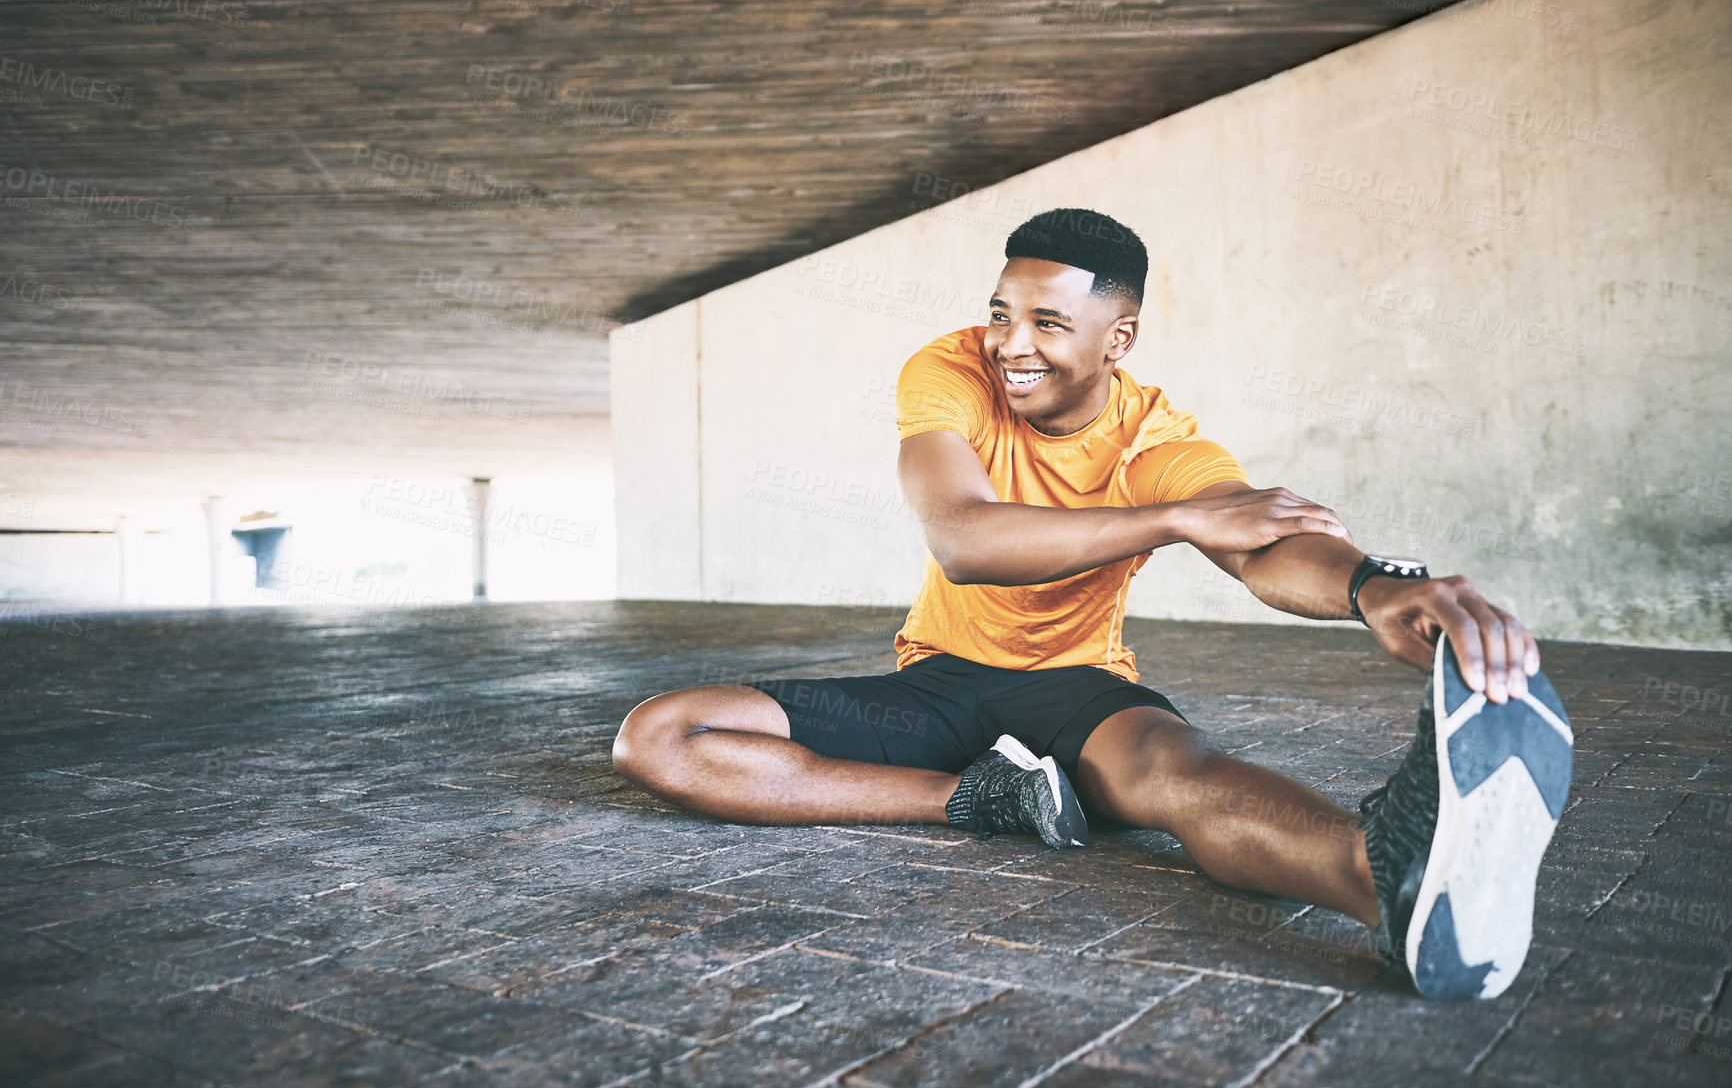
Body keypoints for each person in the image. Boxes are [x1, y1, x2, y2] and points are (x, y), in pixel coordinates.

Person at [611, 208, 1573, 1001]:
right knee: (661, 736)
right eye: (1001, 313)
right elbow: (964, 535)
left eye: (1046, 324)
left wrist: (1371, 587)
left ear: (1119, 338)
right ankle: (991, 799)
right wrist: (1174, 520)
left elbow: (1270, 544)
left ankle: (1388, 881)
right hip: (935, 685)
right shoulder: (951, 372)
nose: (1010, 346)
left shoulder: (1159, 439)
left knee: (1179, 775)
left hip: (1077, 688)